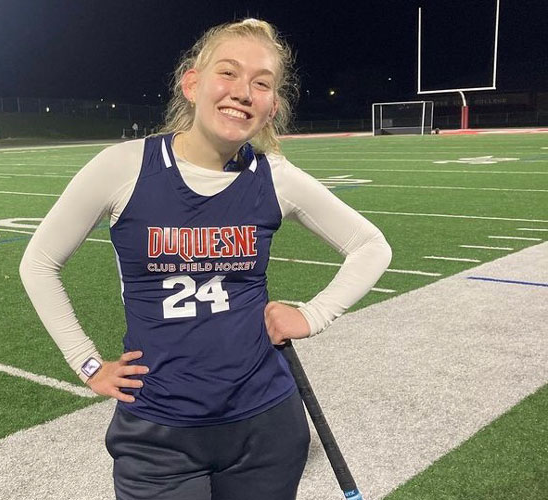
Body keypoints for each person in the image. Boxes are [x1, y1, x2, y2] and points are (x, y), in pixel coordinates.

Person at [20, 18, 391, 500]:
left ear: (272, 105)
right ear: (192, 83)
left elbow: (371, 246)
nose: (243, 92)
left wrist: (313, 315)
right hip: (158, 436)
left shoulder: (275, 176)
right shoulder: (125, 166)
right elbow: (40, 263)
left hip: (266, 427)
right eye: (229, 73)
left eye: (262, 83)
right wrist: (87, 363)